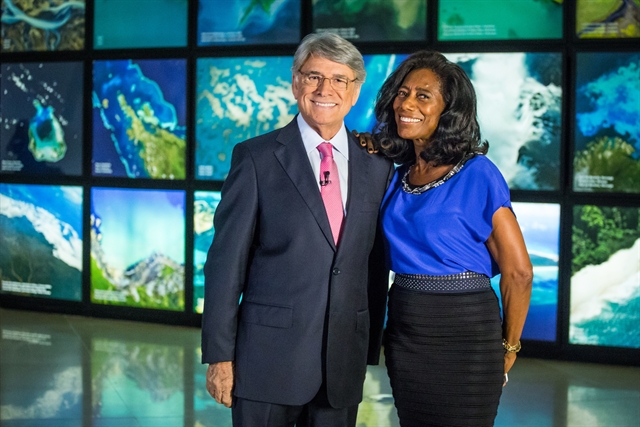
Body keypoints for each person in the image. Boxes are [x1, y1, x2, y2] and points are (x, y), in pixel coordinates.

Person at [200, 32, 394, 427]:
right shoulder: (255, 158)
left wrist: (367, 346)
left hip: (341, 365)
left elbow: (372, 264)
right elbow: (225, 265)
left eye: (340, 79)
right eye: (313, 76)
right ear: (294, 83)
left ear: (355, 91)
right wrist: (220, 356)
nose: (326, 89)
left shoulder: (377, 166)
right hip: (266, 363)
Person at [366, 51, 533, 426]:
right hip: (407, 327)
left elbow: (519, 273)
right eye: (402, 93)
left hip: (465, 331)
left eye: (423, 96)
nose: (407, 103)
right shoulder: (396, 176)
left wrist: (510, 345)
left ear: (449, 110)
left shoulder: (478, 173)